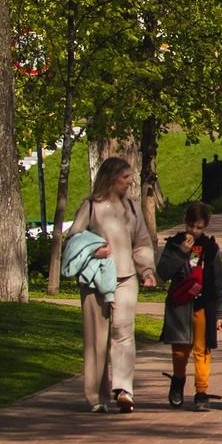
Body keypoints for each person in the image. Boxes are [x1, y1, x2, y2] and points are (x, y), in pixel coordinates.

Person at [67, 157, 157, 412]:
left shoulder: (132, 207)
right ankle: (96, 396)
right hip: (95, 281)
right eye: (125, 177)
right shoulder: (91, 206)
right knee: (97, 339)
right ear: (111, 178)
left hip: (126, 277)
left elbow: (141, 242)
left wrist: (147, 270)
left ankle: (123, 389)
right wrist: (94, 250)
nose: (130, 182)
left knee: (123, 331)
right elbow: (74, 238)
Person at [156, 203, 222, 409]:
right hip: (179, 304)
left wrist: (220, 311)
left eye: (198, 227)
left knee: (201, 350)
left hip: (203, 304)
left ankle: (201, 391)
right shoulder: (174, 244)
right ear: (185, 221)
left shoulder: (210, 247)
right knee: (180, 349)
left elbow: (218, 281)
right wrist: (181, 253)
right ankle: (178, 382)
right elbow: (163, 273)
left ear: (205, 226)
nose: (193, 231)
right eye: (190, 226)